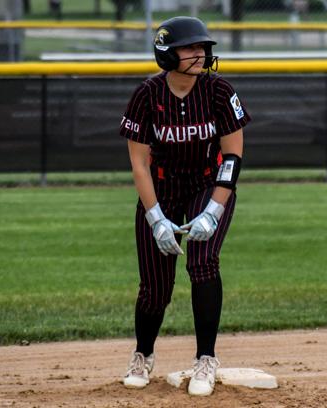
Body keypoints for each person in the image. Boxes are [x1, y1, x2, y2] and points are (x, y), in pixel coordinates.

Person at [119, 16, 250, 396]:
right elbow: (139, 164)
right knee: (155, 287)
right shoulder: (147, 95)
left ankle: (206, 359)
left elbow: (232, 156)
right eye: (189, 48)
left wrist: (213, 211)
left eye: (202, 47)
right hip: (160, 189)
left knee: (203, 263)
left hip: (208, 186)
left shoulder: (219, 91)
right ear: (166, 54)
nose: (200, 54)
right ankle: (143, 355)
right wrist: (155, 217)